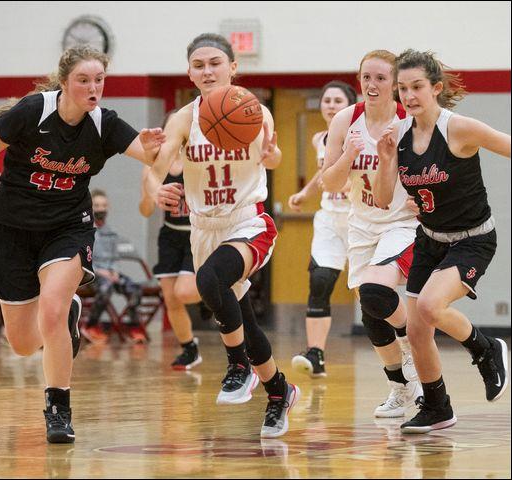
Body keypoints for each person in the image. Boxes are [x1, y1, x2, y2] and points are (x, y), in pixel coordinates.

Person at [0, 46, 165, 444]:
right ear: (65, 81)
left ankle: (58, 409)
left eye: (99, 79)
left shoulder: (105, 124)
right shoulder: (33, 112)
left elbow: (151, 156)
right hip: (13, 230)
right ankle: (68, 319)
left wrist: (156, 146)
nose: (93, 87)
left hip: (68, 227)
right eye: (84, 80)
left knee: (51, 307)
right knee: (22, 343)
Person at [146, 33, 300, 438]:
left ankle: (237, 366)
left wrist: (273, 158)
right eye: (199, 65)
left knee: (209, 280)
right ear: (190, 73)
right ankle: (279, 391)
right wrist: (155, 189)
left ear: (234, 67)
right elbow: (154, 168)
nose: (207, 70)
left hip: (247, 222)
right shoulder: (182, 118)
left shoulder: (252, 110)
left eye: (215, 62)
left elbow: (276, 154)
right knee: (245, 324)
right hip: (204, 228)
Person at [373, 49, 510, 433]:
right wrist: (385, 159)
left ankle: (487, 349)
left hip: (473, 239)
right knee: (417, 331)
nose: (408, 95)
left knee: (432, 306)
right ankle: (437, 407)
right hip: (430, 240)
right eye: (401, 88)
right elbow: (383, 200)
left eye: (416, 87)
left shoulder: (459, 128)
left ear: (435, 88)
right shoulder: (397, 136)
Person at [321, 50, 422, 418]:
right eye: (366, 77)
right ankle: (400, 387)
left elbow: (436, 170)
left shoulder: (409, 121)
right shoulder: (346, 120)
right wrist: (347, 155)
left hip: (401, 222)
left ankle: (415, 343)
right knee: (371, 310)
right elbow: (329, 182)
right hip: (361, 221)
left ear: (395, 82)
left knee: (377, 291)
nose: (372, 84)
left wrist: (426, 199)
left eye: (380, 78)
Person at [289, 81, 357, 378]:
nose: (330, 105)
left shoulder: (359, 136)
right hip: (329, 218)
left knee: (370, 293)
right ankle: (316, 354)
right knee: (319, 281)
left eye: (337, 100)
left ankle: (403, 351)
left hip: (359, 219)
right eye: (326, 99)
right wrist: (305, 193)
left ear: (351, 106)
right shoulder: (320, 138)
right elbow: (323, 171)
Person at [140, 111, 204, 369]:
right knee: (171, 299)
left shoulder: (199, 159)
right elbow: (144, 211)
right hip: (169, 234)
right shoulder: (154, 164)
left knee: (185, 291)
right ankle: (190, 348)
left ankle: (217, 289)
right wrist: (150, 196)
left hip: (197, 234)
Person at [80, 188, 147, 344]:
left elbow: (115, 256)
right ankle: (91, 325)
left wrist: (114, 271)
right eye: (97, 205)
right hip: (93, 274)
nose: (101, 209)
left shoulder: (111, 232)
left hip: (110, 272)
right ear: (90, 207)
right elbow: (83, 258)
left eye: (104, 205)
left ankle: (133, 326)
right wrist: (101, 272)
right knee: (106, 287)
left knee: (134, 288)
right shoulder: (85, 231)